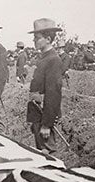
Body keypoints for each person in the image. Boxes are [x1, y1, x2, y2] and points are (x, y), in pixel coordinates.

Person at [27, 18, 63, 154]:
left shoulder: (53, 60)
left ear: (48, 39)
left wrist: (47, 124)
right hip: (38, 112)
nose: (34, 41)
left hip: (44, 114)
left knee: (48, 152)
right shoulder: (44, 58)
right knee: (41, 151)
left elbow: (53, 93)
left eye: (37, 38)